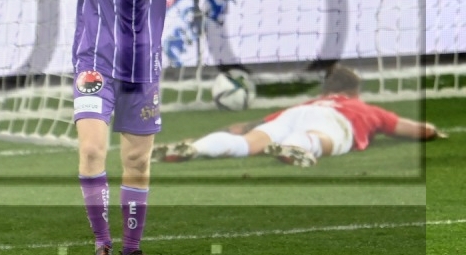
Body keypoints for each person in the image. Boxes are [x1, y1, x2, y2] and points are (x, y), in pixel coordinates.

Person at [20, 0, 228, 255]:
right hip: (95, 65)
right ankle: (102, 245)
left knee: (137, 162)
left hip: (144, 69)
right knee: (93, 150)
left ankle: (133, 248)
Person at [152, 65, 448, 166]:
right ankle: (298, 147)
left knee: (248, 143)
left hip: (295, 115)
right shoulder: (364, 109)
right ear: (354, 90)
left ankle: (198, 147)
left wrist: (241, 127)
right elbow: (411, 128)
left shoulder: (312, 101)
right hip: (334, 123)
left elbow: (252, 125)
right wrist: (432, 130)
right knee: (321, 138)